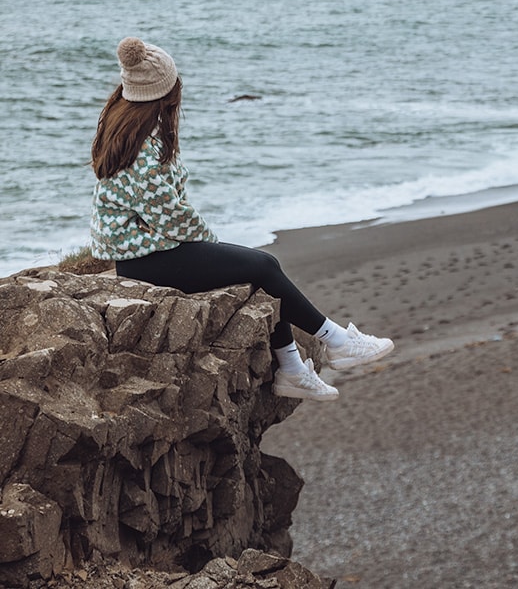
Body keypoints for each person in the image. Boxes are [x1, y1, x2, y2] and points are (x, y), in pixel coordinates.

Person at [90, 37, 394, 401]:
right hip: (146, 261)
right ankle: (336, 341)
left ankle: (294, 370)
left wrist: (206, 245)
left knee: (257, 268)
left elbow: (163, 213)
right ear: (166, 93)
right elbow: (171, 217)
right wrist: (208, 240)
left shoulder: (124, 125)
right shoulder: (143, 149)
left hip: (142, 253)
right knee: (263, 265)